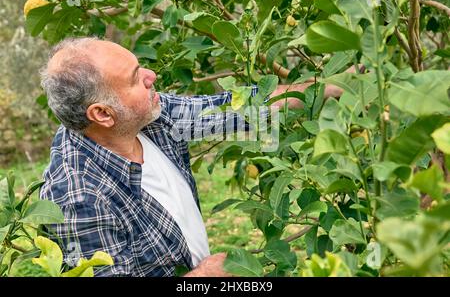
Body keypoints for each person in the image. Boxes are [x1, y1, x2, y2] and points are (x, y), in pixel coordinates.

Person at [39, 37, 343, 277]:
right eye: (135, 79)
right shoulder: (79, 199)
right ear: (103, 113)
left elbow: (231, 110)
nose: (151, 75)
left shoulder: (149, 117)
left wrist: (333, 87)